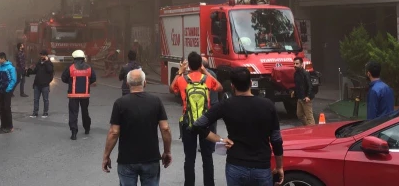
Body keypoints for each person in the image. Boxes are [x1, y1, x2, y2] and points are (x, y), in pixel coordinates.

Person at [193, 67, 284, 186]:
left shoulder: (226, 105)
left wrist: (220, 139)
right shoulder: (268, 105)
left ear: (232, 85)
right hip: (261, 167)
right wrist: (279, 166)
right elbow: (276, 139)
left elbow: (198, 125)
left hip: (236, 165)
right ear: (251, 83)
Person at [103, 69, 172, 185]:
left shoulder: (120, 103)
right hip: (151, 158)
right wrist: (167, 151)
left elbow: (114, 132)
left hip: (127, 160)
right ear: (145, 82)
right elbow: (165, 128)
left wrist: (106, 155)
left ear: (127, 83)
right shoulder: (156, 101)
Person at [170, 51, 223, 186]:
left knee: (189, 158)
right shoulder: (207, 79)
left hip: (188, 122)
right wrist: (206, 71)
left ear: (189, 65)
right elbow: (220, 87)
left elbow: (171, 89)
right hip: (206, 122)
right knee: (207, 157)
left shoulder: (182, 79)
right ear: (200, 64)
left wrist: (180, 71)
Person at [61, 49, 97, 140]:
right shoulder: (89, 67)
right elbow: (93, 78)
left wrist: (70, 82)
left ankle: (74, 133)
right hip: (85, 95)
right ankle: (87, 128)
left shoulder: (70, 67)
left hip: (73, 95)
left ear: (74, 58)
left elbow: (63, 78)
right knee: (85, 112)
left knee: (73, 113)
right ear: (83, 58)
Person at [0, 52, 17, 134]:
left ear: (3, 58)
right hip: (0, 91)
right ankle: (3, 126)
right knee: (1, 108)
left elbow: (14, 80)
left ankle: (10, 126)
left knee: (7, 108)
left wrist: (8, 89)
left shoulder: (10, 67)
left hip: (7, 91)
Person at [28, 50, 54, 118]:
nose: (41, 56)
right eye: (41, 55)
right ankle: (35, 113)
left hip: (45, 85)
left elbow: (50, 70)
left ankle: (45, 113)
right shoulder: (39, 62)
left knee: (45, 99)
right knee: (36, 99)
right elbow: (36, 71)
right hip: (37, 84)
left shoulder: (49, 63)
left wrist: (46, 62)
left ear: (46, 56)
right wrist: (29, 71)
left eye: (43, 55)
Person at [293, 57, 315, 126]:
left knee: (309, 117)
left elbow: (310, 85)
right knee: (299, 115)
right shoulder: (296, 74)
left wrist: (308, 96)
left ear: (301, 64)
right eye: (294, 63)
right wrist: (294, 92)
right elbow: (297, 85)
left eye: (297, 63)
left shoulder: (305, 73)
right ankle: (307, 127)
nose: (295, 65)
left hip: (306, 98)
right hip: (300, 98)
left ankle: (313, 131)